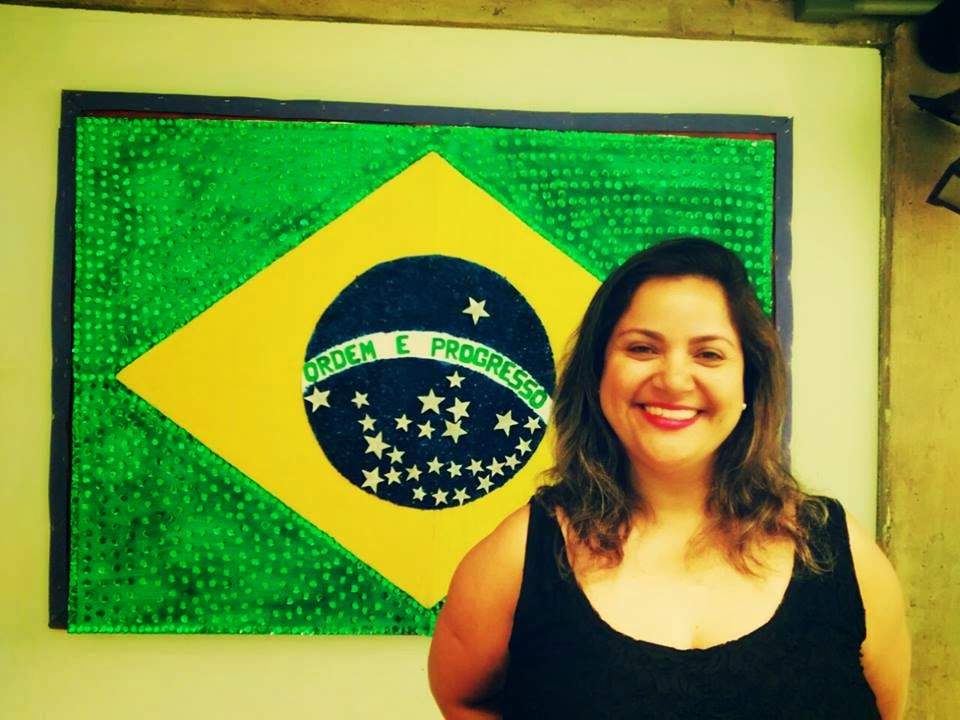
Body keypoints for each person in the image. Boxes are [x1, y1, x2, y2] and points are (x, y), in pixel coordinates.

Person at [428, 237, 910, 719]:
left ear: (749, 380)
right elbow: (461, 698)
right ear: (598, 373)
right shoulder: (517, 556)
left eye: (709, 354)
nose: (674, 379)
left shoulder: (840, 552)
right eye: (642, 348)